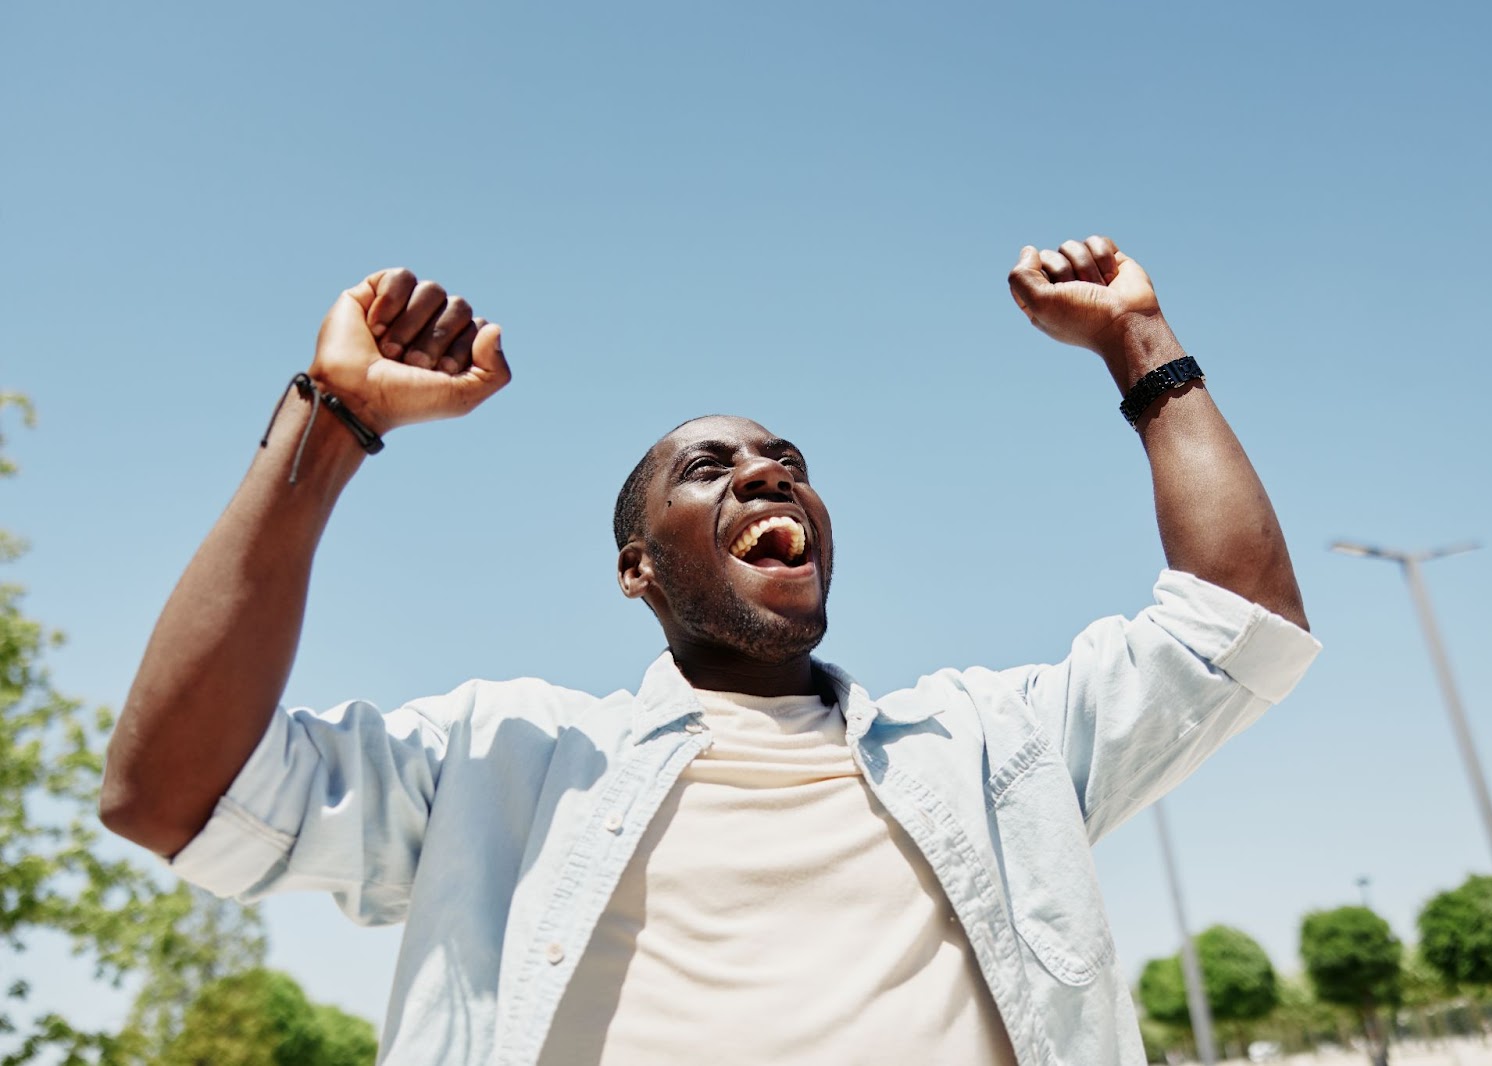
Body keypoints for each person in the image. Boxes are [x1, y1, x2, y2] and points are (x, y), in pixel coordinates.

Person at [101, 235, 1319, 1065]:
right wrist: (338, 414)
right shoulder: (506, 761)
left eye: (786, 460)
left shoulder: (986, 745)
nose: (767, 471)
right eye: (711, 467)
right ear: (638, 567)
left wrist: (1138, 338)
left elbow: (1239, 627)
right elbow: (175, 792)